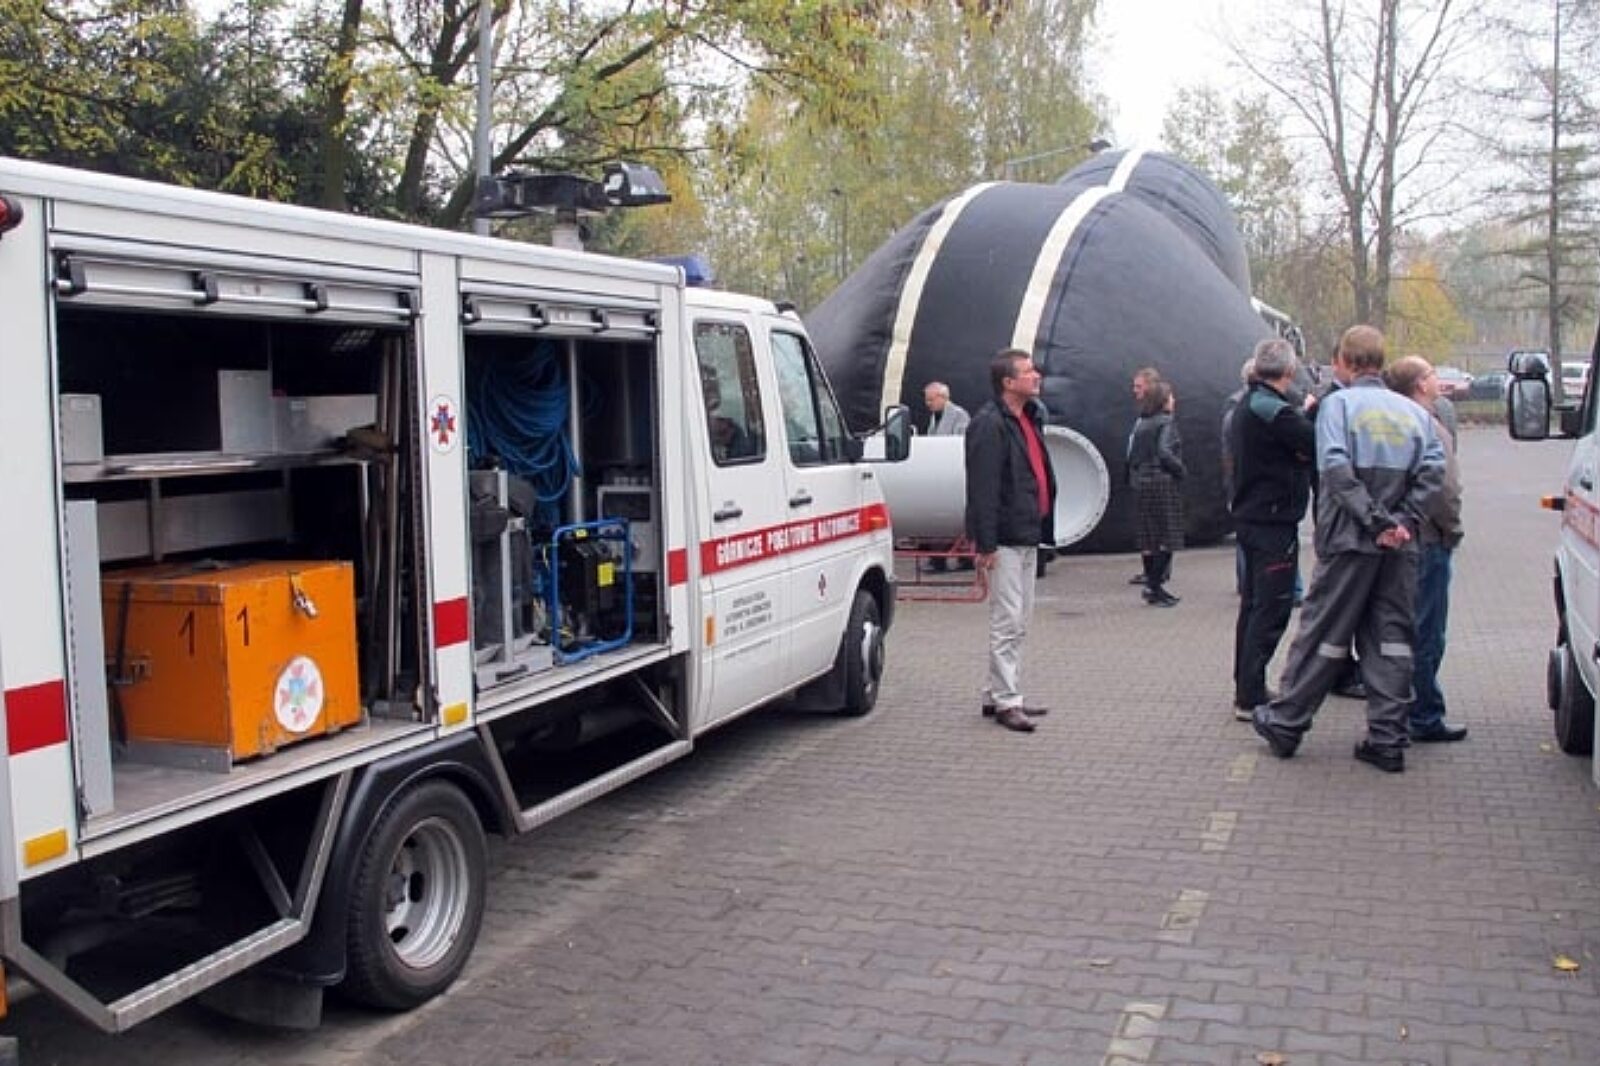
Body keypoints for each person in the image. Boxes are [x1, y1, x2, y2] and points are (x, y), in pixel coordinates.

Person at [1252, 325, 1446, 773]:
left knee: (1322, 632)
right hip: (1400, 547)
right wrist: (1403, 522)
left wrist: (1375, 521)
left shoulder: (1337, 407)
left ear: (1343, 361)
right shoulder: (1414, 413)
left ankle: (1286, 722)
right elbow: (1435, 471)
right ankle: (1388, 738)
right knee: (1391, 639)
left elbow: (1336, 469)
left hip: (1349, 542)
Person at [965, 348, 1058, 733]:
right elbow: (983, 488)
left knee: (1020, 619)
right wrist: (985, 544)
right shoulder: (990, 425)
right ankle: (1007, 700)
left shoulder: (1028, 418)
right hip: (1004, 539)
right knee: (1008, 621)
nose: (1036, 376)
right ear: (1008, 382)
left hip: (1026, 533)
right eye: (1027, 371)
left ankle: (999, 692)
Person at [1229, 338, 1316, 720]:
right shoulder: (1273, 411)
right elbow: (1312, 442)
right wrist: (1311, 413)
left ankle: (1247, 688)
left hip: (1253, 518)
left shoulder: (1249, 404)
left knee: (1253, 607)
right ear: (1289, 370)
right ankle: (1250, 696)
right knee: (1270, 609)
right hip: (1272, 521)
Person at [1384, 356, 1469, 744]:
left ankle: (1396, 705)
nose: (1438, 379)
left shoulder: (1389, 422)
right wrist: (1452, 531)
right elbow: (1445, 490)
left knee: (1398, 627)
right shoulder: (1430, 427)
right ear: (1420, 384)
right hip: (1428, 539)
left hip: (1396, 537)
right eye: (1433, 373)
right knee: (1427, 631)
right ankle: (1424, 713)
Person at [1127, 379, 1185, 606]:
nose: (1174, 400)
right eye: (1170, 396)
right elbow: (1164, 451)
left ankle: (1153, 585)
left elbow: (1132, 454)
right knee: (1168, 537)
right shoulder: (1166, 422)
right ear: (1163, 400)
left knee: (1149, 537)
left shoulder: (1142, 423)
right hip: (1162, 481)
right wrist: (1180, 470)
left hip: (1143, 481)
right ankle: (1154, 586)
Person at [1127, 367, 1164, 585]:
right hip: (1140, 476)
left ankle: (1157, 574)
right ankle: (1149, 571)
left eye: (1139, 386)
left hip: (1150, 478)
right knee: (1145, 529)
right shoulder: (1143, 416)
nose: (1135, 391)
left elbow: (1162, 451)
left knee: (1154, 528)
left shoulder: (1159, 419)